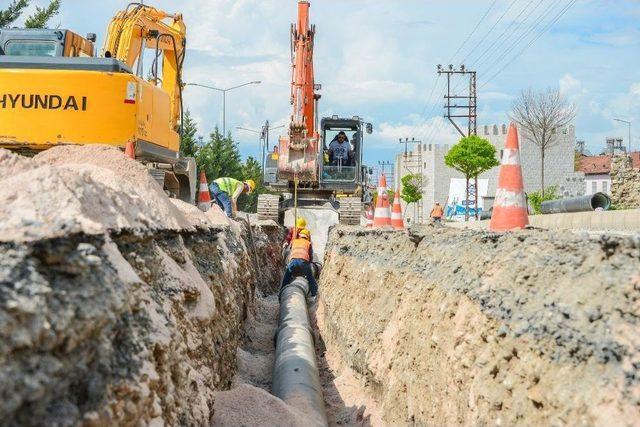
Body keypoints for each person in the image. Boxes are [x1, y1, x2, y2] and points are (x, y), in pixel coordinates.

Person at [280, 228, 318, 297]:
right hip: (303, 262)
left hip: (293, 261)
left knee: (287, 276)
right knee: (310, 278)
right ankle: (314, 295)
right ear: (307, 237)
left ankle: (281, 292)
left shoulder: (294, 241)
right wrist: (309, 264)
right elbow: (310, 255)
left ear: (300, 236)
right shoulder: (308, 243)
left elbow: (291, 250)